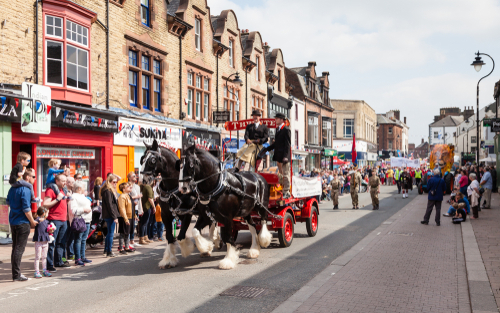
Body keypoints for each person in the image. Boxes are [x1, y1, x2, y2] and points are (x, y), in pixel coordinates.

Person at [7, 168, 38, 281]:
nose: (35, 179)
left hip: (13, 221)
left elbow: (8, 202)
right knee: (19, 249)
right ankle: (16, 275)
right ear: (27, 177)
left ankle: (16, 273)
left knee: (15, 248)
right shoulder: (25, 189)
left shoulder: (12, 188)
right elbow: (26, 209)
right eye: (33, 177)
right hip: (22, 222)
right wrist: (32, 221)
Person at [259, 112, 292, 199]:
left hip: (284, 158)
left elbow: (288, 145)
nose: (275, 120)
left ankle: (286, 191)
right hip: (279, 156)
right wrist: (267, 148)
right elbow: (275, 144)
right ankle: (282, 190)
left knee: (285, 174)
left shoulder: (286, 129)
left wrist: (285, 156)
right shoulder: (278, 130)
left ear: (281, 120)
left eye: (277, 118)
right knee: (280, 175)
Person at [43, 173, 69, 271]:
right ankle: (49, 265)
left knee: (61, 243)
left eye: (65, 181)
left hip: (63, 220)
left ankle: (59, 262)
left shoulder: (63, 190)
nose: (65, 183)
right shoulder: (51, 190)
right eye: (63, 181)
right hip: (54, 219)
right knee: (51, 243)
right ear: (57, 181)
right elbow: (45, 204)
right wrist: (57, 199)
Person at [70, 181, 92, 265]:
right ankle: (78, 258)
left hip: (86, 220)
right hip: (79, 220)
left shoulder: (82, 196)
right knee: (78, 240)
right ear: (79, 188)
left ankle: (83, 257)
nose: (85, 189)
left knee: (83, 240)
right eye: (83, 187)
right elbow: (73, 210)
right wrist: (83, 210)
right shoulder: (74, 197)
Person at [101, 174, 120, 257]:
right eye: (114, 182)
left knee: (109, 233)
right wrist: (114, 217)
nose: (115, 184)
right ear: (109, 182)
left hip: (110, 214)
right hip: (110, 215)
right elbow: (110, 205)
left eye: (116, 182)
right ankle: (109, 251)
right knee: (111, 233)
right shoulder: (107, 191)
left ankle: (106, 249)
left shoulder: (109, 190)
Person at [32, 207, 52, 278]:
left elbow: (50, 229)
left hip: (45, 241)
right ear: (44, 214)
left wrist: (51, 230)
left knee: (44, 257)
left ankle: (44, 270)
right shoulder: (37, 220)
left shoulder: (47, 222)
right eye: (47, 213)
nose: (48, 214)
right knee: (38, 257)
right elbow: (33, 223)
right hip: (38, 242)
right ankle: (36, 271)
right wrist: (38, 220)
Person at [117, 182, 135, 254]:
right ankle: (121, 248)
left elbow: (131, 207)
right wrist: (125, 218)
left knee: (127, 233)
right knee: (122, 233)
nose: (129, 187)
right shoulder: (122, 197)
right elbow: (122, 209)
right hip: (124, 217)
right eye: (128, 186)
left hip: (130, 216)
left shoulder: (128, 196)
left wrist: (135, 216)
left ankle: (127, 247)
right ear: (123, 189)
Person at [139, 176, 155, 244]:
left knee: (144, 223)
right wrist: (154, 207)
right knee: (144, 223)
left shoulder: (142, 186)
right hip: (146, 207)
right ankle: (142, 239)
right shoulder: (148, 187)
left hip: (143, 207)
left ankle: (145, 237)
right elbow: (150, 198)